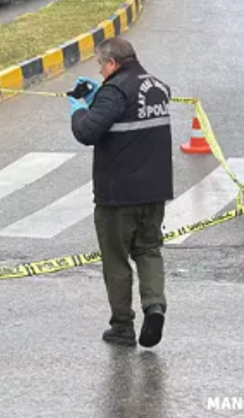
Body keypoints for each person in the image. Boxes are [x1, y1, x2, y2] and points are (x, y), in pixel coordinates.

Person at [68, 37, 173, 349]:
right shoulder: (157, 86)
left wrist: (78, 110)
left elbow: (86, 132)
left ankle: (122, 326)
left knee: (116, 260)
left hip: (118, 195)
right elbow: (129, 112)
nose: (100, 72)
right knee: (149, 250)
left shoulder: (114, 91)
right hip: (154, 191)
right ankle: (154, 306)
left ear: (112, 63)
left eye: (101, 65)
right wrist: (100, 99)